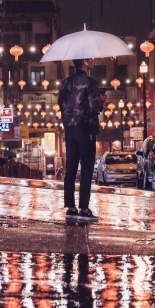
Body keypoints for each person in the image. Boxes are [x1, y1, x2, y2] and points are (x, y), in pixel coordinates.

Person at [59, 58, 105, 222]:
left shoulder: (65, 83)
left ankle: (71, 207)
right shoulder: (91, 83)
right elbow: (94, 108)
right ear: (84, 62)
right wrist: (101, 101)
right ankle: (84, 209)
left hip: (70, 130)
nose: (93, 61)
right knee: (86, 169)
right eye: (90, 59)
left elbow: (62, 106)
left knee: (70, 167)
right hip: (86, 129)